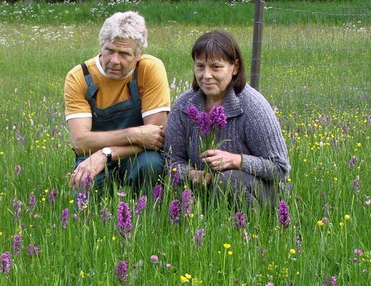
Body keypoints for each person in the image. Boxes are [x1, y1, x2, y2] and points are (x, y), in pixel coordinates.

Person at [164, 30, 290, 209]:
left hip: (259, 194)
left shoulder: (253, 106)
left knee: (229, 179)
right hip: (203, 195)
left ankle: (248, 231)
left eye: (216, 67)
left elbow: (280, 169)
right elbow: (171, 161)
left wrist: (237, 161)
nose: (206, 75)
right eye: (200, 66)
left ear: (235, 68)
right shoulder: (184, 106)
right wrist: (192, 174)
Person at [65, 11, 170, 200]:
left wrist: (107, 153)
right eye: (109, 50)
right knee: (85, 190)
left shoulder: (150, 69)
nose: (114, 61)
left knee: (150, 165)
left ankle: (146, 218)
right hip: (92, 155)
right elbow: (80, 143)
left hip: (137, 155)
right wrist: (135, 134)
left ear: (138, 55)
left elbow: (156, 138)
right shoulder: (79, 77)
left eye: (124, 54)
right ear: (101, 46)